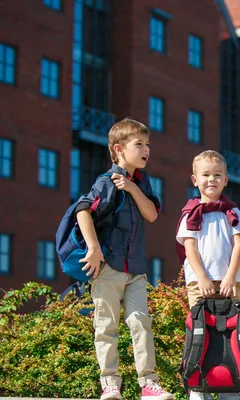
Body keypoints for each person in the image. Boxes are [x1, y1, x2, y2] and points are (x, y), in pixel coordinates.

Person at [75, 118, 174, 400]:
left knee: (141, 322)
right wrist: (93, 248)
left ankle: (148, 385)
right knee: (106, 326)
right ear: (118, 149)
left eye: (148, 145)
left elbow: (152, 214)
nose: (146, 150)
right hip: (108, 268)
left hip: (136, 269)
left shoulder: (141, 182)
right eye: (139, 144)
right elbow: (82, 210)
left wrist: (131, 188)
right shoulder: (106, 183)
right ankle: (110, 384)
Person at [175, 150, 240, 400]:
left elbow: (239, 246)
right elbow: (190, 249)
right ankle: (199, 388)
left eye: (218, 175)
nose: (212, 180)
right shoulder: (190, 213)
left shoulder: (232, 212)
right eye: (206, 175)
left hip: (229, 282)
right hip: (200, 283)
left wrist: (230, 277)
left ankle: (229, 386)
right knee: (201, 333)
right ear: (194, 179)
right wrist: (202, 278)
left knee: (229, 334)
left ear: (226, 180)